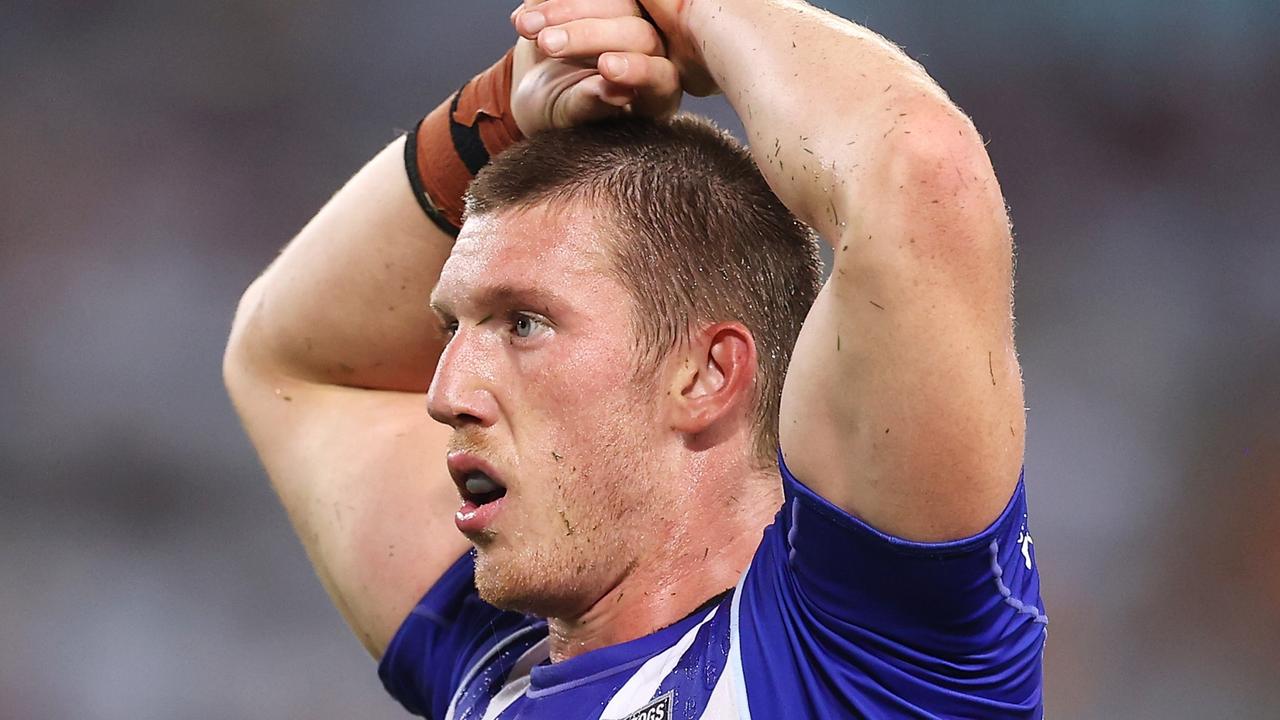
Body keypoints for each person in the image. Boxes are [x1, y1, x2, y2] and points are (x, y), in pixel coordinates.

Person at [223, 0, 1045, 717]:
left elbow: (921, 175)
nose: (445, 394)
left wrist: (690, 14)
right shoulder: (492, 673)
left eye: (523, 325)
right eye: (453, 329)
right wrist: (509, 105)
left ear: (707, 374)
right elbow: (295, 361)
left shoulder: (868, 658)